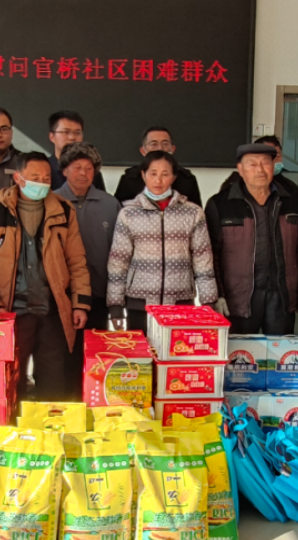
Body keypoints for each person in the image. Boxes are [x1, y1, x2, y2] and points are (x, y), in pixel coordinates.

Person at [0, 152, 92, 400]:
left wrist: (80, 304)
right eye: (35, 177)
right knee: (10, 380)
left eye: (46, 178)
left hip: (52, 310)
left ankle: (49, 422)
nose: (41, 183)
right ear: (18, 178)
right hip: (10, 310)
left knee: (53, 381)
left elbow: (76, 261)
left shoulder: (63, 211)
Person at [205, 144, 298, 335]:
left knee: (280, 349)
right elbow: (211, 255)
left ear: (273, 166)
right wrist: (218, 295)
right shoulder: (221, 204)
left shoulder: (291, 202)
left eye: (265, 163)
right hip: (237, 298)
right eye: (252, 164)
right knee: (238, 351)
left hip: (281, 295)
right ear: (240, 169)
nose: (260, 170)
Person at [107, 151, 217, 332]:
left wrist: (209, 302)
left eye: (165, 174)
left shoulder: (193, 213)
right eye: (153, 173)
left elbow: (203, 261)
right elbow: (118, 262)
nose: (158, 180)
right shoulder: (128, 213)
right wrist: (115, 305)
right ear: (143, 175)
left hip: (180, 302)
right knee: (142, 351)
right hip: (139, 303)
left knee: (178, 349)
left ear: (174, 177)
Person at [54, 142, 122, 398]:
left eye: (89, 168)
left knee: (96, 357)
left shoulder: (110, 204)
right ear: (64, 170)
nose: (83, 173)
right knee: (61, 358)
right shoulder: (51, 202)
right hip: (59, 298)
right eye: (77, 167)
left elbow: (120, 253)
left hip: (98, 296)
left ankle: (93, 403)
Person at [113, 126, 202, 206]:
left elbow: (197, 212)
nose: (160, 148)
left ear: (173, 149)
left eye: (165, 144)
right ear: (143, 151)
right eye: (153, 144)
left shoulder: (187, 180)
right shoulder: (129, 179)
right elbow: (119, 211)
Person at [217, 135, 298, 197]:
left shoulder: (290, 188)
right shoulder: (233, 186)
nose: (272, 162)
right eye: (266, 159)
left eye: (277, 157)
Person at [47, 110, 106, 192]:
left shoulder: (92, 172)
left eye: (77, 133)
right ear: (52, 137)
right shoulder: (43, 169)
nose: (72, 137)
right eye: (66, 132)